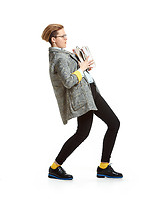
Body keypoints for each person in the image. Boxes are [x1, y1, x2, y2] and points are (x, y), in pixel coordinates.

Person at [41, 24, 123, 180]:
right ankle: (103, 167)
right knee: (113, 124)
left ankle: (55, 167)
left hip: (88, 94)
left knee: (82, 133)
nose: (66, 38)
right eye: (62, 36)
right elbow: (68, 81)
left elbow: (74, 75)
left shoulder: (61, 54)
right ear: (53, 39)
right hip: (85, 97)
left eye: (66, 35)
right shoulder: (58, 58)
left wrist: (82, 68)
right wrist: (81, 69)